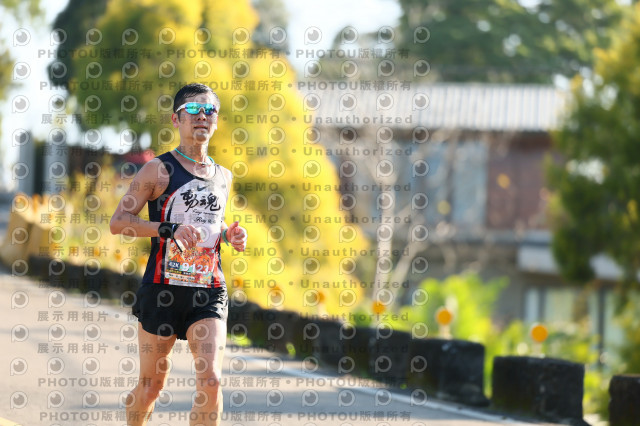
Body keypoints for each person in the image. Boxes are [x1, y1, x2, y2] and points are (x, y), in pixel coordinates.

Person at [110, 83, 247, 426]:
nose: (202, 116)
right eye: (193, 110)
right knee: (150, 387)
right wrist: (167, 229)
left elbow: (210, 223)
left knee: (212, 382)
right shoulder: (157, 170)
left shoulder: (224, 176)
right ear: (176, 119)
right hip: (162, 289)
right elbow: (119, 221)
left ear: (216, 120)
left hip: (208, 290)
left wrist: (228, 234)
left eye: (209, 110)